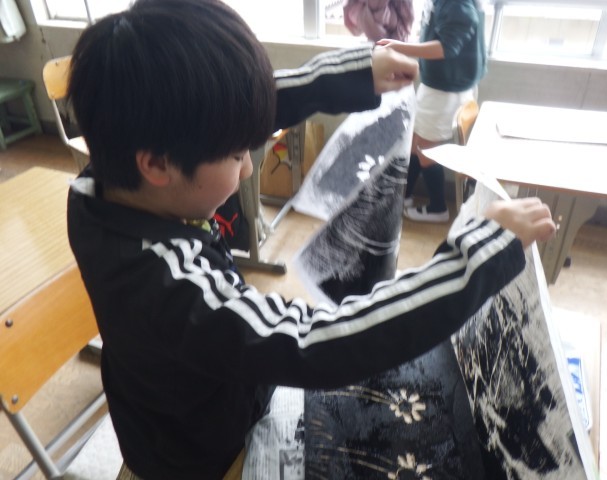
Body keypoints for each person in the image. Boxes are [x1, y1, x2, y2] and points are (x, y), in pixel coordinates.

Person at [66, 0, 555, 478]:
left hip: (198, 400)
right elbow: (313, 342)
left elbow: (224, 111)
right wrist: (475, 258)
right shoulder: (168, 290)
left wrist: (356, 73)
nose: (248, 167)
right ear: (157, 164)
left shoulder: (110, 180)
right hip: (203, 457)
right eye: (237, 155)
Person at [378, 0, 487, 222]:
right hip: (441, 85)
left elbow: (447, 47)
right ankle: (403, 196)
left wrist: (398, 47)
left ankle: (438, 208)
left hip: (445, 90)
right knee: (413, 143)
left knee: (424, 149)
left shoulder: (456, 3)